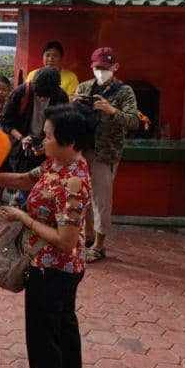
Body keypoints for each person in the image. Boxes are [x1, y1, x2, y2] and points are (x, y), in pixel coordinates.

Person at [0, 104, 93, 368]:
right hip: (59, 271)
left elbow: (65, 239)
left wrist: (23, 218)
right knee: (64, 330)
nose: (43, 141)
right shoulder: (55, 165)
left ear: (71, 141)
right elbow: (23, 179)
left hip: (54, 270)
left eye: (49, 137)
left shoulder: (74, 181)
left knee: (44, 339)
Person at [73, 47, 140, 262]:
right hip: (82, 150)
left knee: (101, 199)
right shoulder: (84, 87)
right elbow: (70, 118)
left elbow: (134, 121)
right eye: (97, 68)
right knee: (82, 196)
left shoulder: (124, 91)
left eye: (105, 68)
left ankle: (100, 245)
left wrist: (112, 111)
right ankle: (89, 235)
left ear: (115, 67)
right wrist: (73, 107)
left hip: (106, 153)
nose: (101, 72)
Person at [2, 66, 70, 173]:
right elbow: (5, 121)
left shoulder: (61, 98)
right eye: (39, 95)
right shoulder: (21, 93)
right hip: (21, 150)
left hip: (47, 153)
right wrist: (21, 138)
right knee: (23, 182)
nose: (42, 99)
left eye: (46, 96)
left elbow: (63, 127)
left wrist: (48, 144)